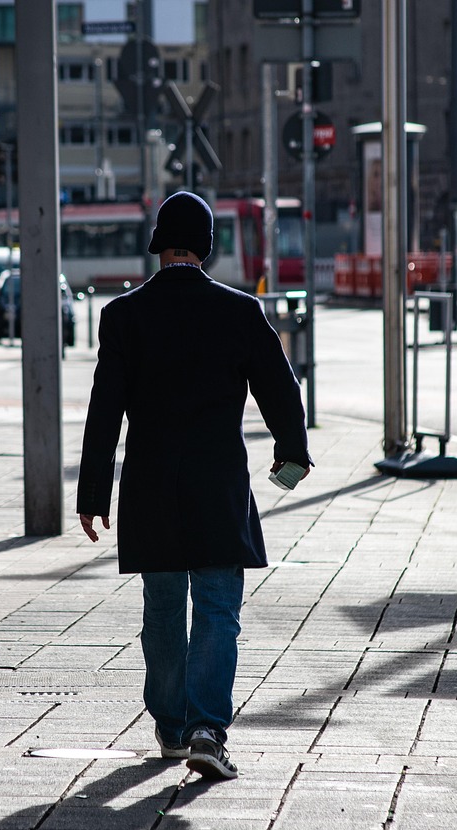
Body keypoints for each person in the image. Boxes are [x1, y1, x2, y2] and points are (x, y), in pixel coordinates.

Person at [76, 191, 312, 781]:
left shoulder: (123, 315)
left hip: (150, 489)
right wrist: (292, 452)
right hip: (217, 488)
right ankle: (208, 729)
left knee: (162, 610)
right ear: (206, 248)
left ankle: (172, 726)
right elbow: (281, 388)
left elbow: (104, 411)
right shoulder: (239, 311)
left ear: (159, 245)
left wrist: (92, 494)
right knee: (216, 610)